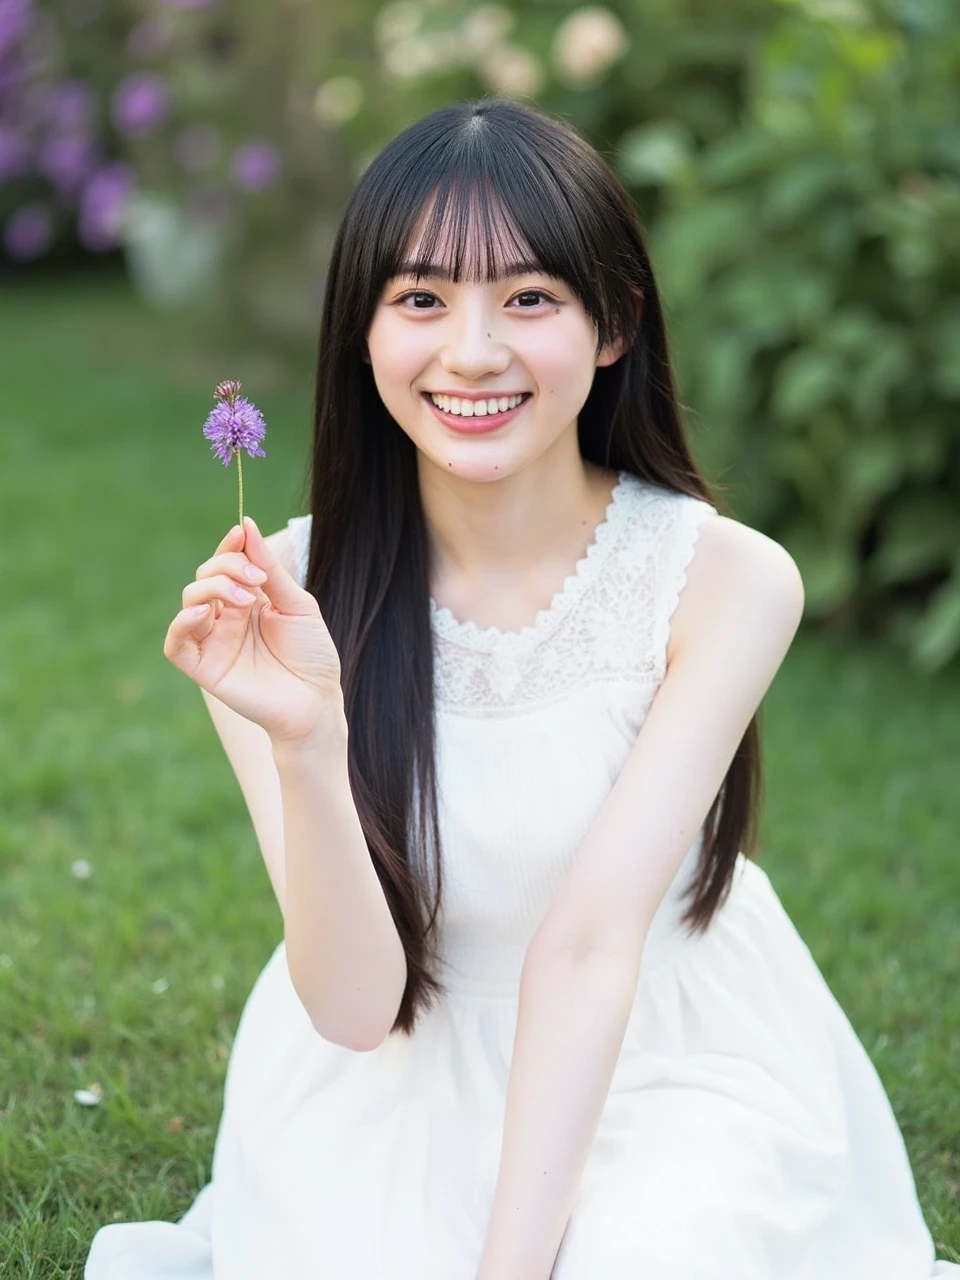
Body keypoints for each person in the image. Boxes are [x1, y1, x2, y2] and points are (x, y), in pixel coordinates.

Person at [85, 97, 958, 1279]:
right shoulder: (275, 598)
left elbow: (592, 947)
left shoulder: (721, 579)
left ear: (614, 324)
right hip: (385, 1074)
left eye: (530, 297)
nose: (474, 351)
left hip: (666, 1049)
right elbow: (354, 1007)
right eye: (423, 298)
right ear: (362, 330)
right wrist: (305, 736)